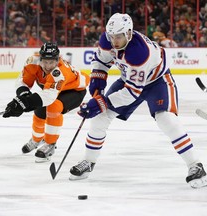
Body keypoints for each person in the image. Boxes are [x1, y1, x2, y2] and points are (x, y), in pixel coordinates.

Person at [69, 13, 207, 188]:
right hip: (130, 79)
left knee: (166, 119)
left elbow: (131, 94)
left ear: (128, 33)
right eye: (111, 36)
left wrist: (100, 102)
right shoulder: (107, 39)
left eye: (118, 37)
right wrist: (97, 83)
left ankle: (195, 165)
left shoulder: (140, 52)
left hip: (158, 81)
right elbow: (101, 61)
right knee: (100, 117)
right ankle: (88, 162)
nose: (114, 41)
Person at [3, 42, 90, 162]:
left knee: (53, 107)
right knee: (39, 111)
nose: (48, 66)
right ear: (40, 59)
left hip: (74, 90)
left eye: (52, 62)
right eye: (45, 62)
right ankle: (37, 139)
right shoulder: (32, 63)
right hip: (53, 90)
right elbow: (22, 82)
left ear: (57, 60)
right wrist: (23, 96)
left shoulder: (60, 72)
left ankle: (50, 144)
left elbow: (49, 96)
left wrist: (25, 103)